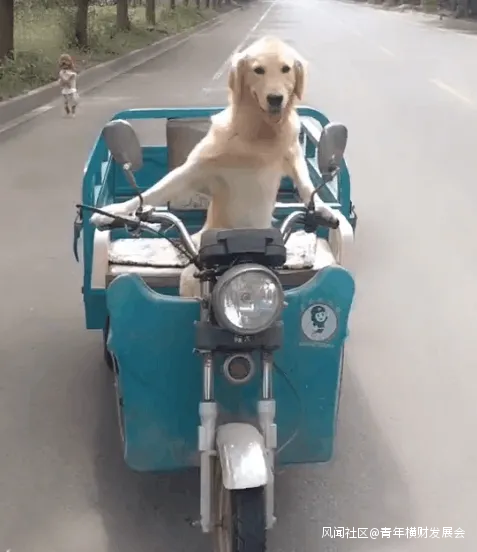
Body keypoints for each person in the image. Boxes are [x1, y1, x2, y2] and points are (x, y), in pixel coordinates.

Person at [58, 54, 79, 118]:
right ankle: (67, 109)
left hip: (72, 89)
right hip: (66, 88)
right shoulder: (61, 72)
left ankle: (72, 110)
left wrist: (68, 80)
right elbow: (63, 80)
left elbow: (73, 77)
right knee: (66, 101)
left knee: (75, 100)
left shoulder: (72, 72)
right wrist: (66, 81)